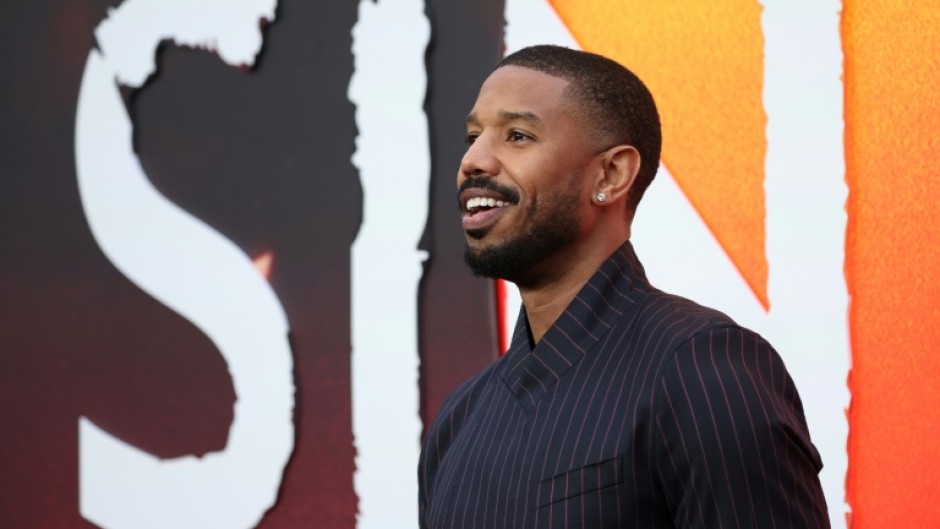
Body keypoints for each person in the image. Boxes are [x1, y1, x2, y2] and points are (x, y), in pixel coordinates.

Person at [418, 45, 829, 528]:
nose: (473, 160)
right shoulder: (460, 420)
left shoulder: (702, 367)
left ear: (611, 175)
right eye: (472, 136)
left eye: (518, 135)